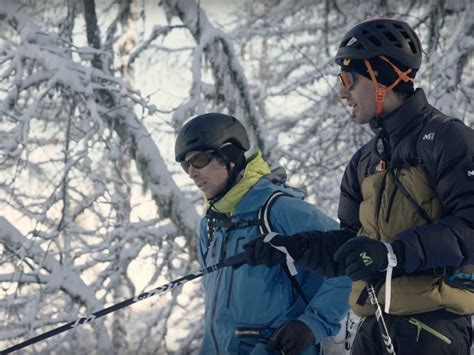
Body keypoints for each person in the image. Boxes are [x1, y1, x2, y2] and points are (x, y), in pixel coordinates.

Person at [243, 18, 474, 355]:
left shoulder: (447, 139)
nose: (342, 92)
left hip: (433, 330)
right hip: (372, 330)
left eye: (348, 80)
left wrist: (394, 254)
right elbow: (353, 246)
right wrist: (292, 248)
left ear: (382, 78)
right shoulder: (365, 160)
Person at [175, 113, 351, 355]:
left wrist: (312, 324)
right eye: (186, 165)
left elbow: (350, 260)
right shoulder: (210, 226)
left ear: (229, 157)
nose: (192, 173)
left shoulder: (279, 209)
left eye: (199, 160)